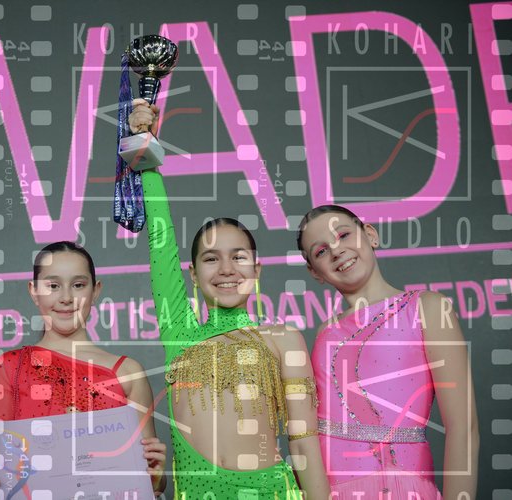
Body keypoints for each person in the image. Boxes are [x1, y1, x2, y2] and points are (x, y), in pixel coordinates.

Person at [129, 100, 330, 499]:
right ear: (192, 274)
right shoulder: (180, 333)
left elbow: (304, 442)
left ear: (257, 269)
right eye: (210, 259)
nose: (225, 269)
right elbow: (160, 240)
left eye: (238, 257)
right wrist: (147, 157)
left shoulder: (283, 339)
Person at [296, 205, 480, 499]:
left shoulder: (427, 308)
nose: (337, 251)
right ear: (314, 272)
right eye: (321, 251)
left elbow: (463, 428)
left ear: (370, 234)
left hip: (399, 487)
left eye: (343, 235)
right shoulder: (324, 333)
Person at [0, 241, 167, 498]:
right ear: (34, 291)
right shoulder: (11, 367)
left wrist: (156, 475)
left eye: (78, 285)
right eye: (53, 286)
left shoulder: (127, 372)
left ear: (96, 290)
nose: (66, 298)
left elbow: (152, 484)